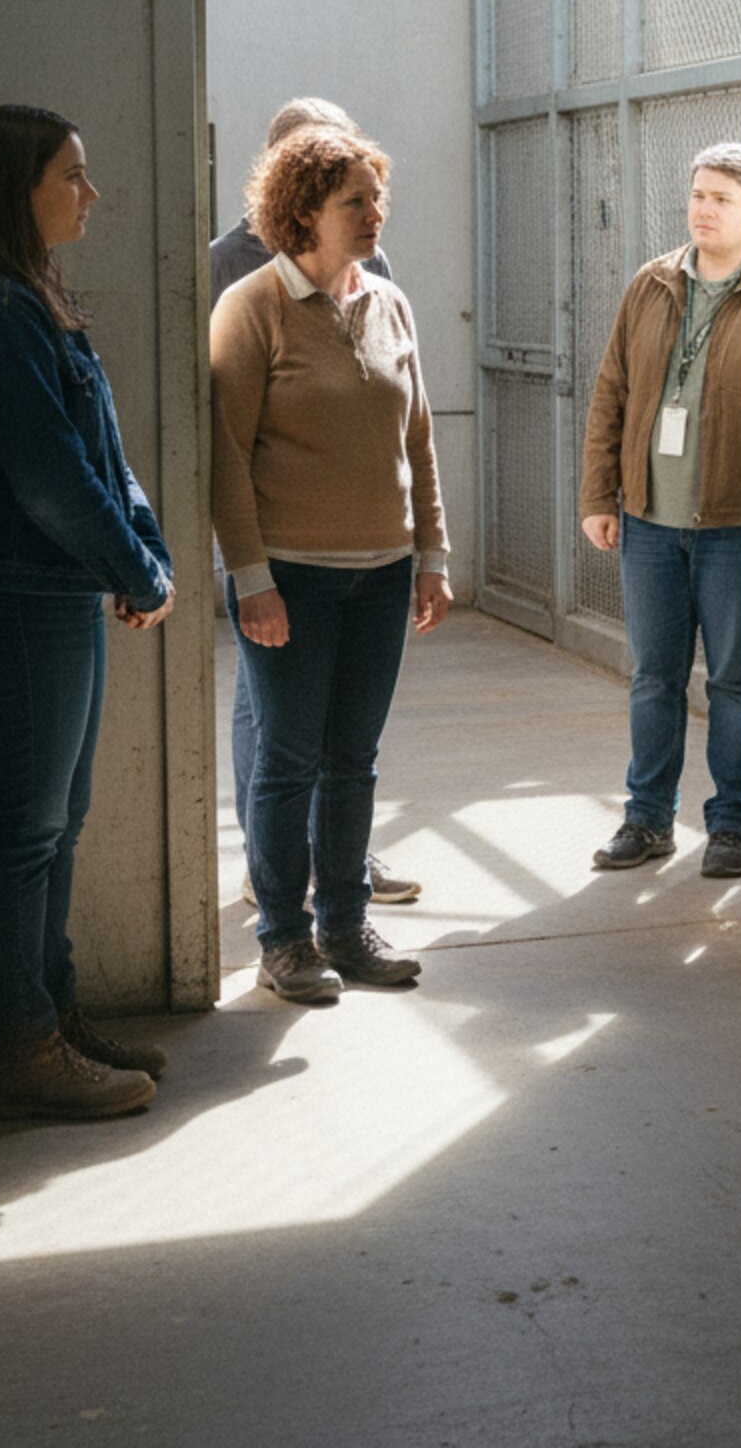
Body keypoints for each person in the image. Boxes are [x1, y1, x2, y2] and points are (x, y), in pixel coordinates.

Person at [0, 105, 175, 1119]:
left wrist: (139, 549)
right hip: (16, 589)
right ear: (13, 186)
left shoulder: (28, 296)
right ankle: (19, 1047)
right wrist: (137, 568)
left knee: (53, 826)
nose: (90, 192)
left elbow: (100, 454)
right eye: (71, 173)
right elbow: (51, 479)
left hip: (49, 585)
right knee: (27, 828)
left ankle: (49, 1016)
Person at [210, 122, 451, 1003]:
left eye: (376, 197)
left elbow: (418, 442)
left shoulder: (389, 302)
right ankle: (284, 940)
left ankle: (345, 928)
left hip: (383, 572)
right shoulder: (250, 308)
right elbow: (226, 457)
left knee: (355, 757)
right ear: (303, 210)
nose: (375, 213)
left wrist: (432, 553)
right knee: (288, 759)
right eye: (357, 200)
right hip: (293, 576)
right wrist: (251, 579)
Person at [579, 141, 741, 882]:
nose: (704, 209)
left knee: (735, 682)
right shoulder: (651, 283)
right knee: (654, 676)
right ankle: (647, 819)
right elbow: (610, 392)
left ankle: (734, 824)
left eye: (723, 198)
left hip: (735, 525)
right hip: (650, 521)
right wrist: (597, 497)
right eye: (699, 194)